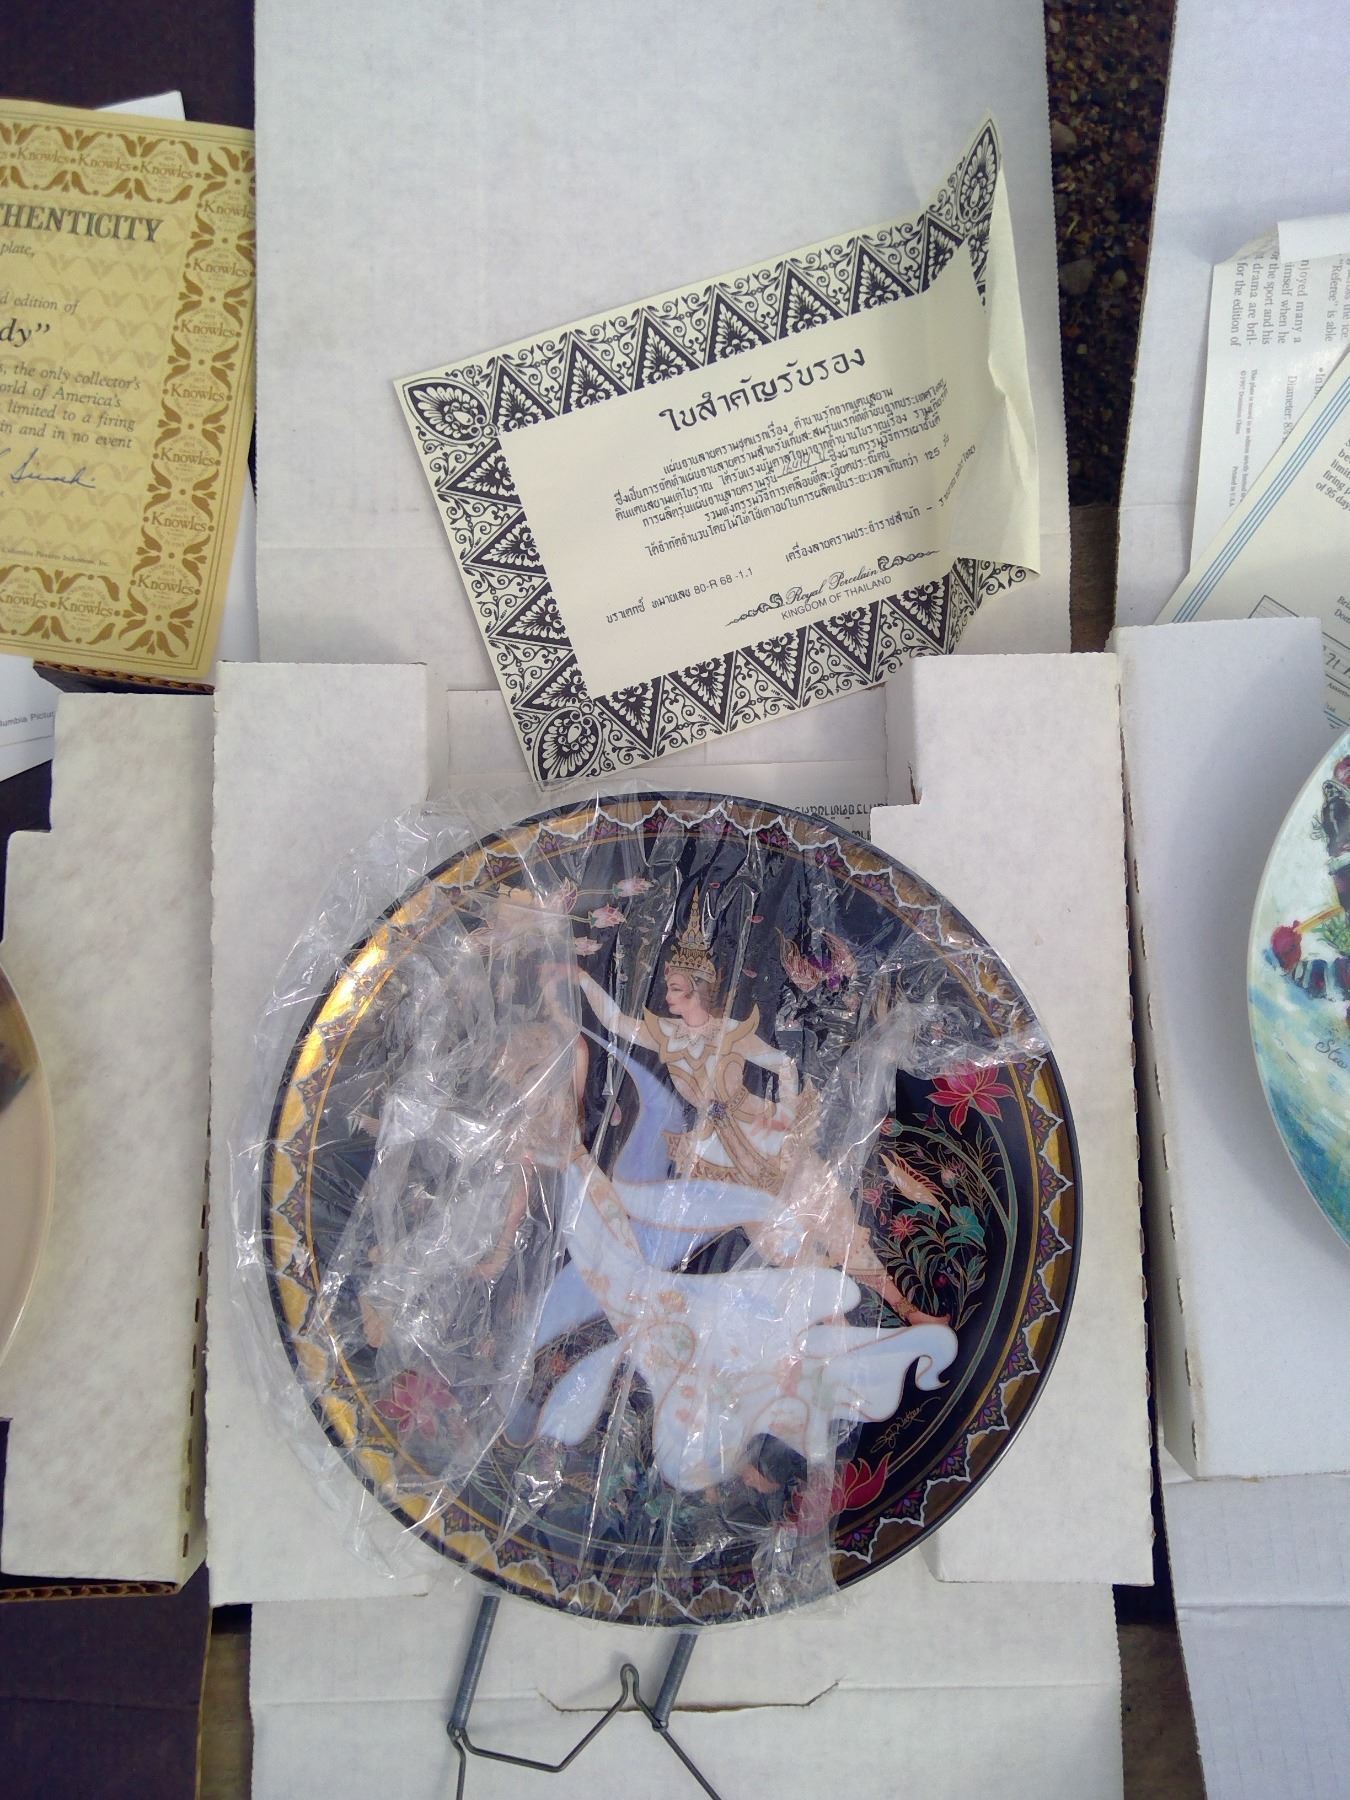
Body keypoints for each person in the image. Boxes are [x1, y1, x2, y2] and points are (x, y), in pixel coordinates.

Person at [558, 889, 946, 1327]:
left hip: (764, 1131)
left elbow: (783, 1065)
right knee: (782, 1246)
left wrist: (784, 1110)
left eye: (675, 987)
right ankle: (833, 1332)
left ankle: (909, 1310)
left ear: (697, 990)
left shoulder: (730, 1031)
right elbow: (615, 1022)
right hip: (720, 1154)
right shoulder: (665, 1034)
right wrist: (583, 979)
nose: (667, 994)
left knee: (831, 1216)